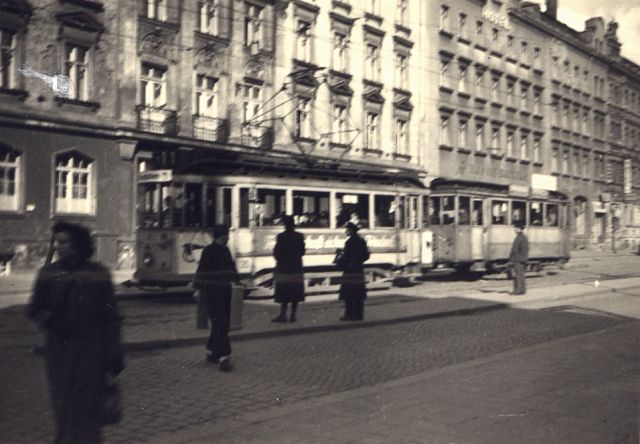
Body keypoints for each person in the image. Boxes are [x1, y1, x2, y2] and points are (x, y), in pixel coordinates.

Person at [28, 222, 124, 443]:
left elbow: (112, 317)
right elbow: (35, 308)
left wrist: (115, 354)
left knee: (88, 411)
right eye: (57, 242)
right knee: (64, 409)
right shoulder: (48, 272)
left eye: (64, 242)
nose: (59, 247)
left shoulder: (99, 273)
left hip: (92, 353)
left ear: (78, 245)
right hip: (60, 354)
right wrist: (51, 321)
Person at [193, 224, 239, 371]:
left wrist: (237, 280)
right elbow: (201, 271)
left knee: (220, 322)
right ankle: (225, 356)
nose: (229, 238)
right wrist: (198, 289)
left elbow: (231, 269)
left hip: (225, 290)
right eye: (227, 235)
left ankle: (212, 352)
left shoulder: (225, 250)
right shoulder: (209, 251)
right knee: (221, 321)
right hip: (213, 292)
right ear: (223, 236)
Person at [272, 215, 306, 323]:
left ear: (285, 225)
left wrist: (280, 260)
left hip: (284, 268)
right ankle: (293, 315)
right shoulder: (299, 236)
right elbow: (302, 252)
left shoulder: (281, 236)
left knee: (284, 293)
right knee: (295, 292)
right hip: (296, 268)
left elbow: (277, 253)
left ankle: (283, 315)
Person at [336, 222, 370, 321]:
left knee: (349, 294)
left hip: (350, 271)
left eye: (347, 230)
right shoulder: (362, 241)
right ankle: (359, 315)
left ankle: (349, 315)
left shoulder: (349, 242)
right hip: (359, 270)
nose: (345, 231)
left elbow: (347, 256)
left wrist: (341, 258)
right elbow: (366, 255)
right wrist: (358, 261)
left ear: (351, 230)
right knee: (358, 294)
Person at [509, 221, 529, 295]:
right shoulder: (523, 237)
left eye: (515, 228)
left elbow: (515, 249)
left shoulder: (519, 237)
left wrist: (511, 258)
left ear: (518, 228)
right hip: (521, 258)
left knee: (517, 275)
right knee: (521, 275)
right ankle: (522, 290)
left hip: (518, 259)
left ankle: (518, 290)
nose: (514, 229)